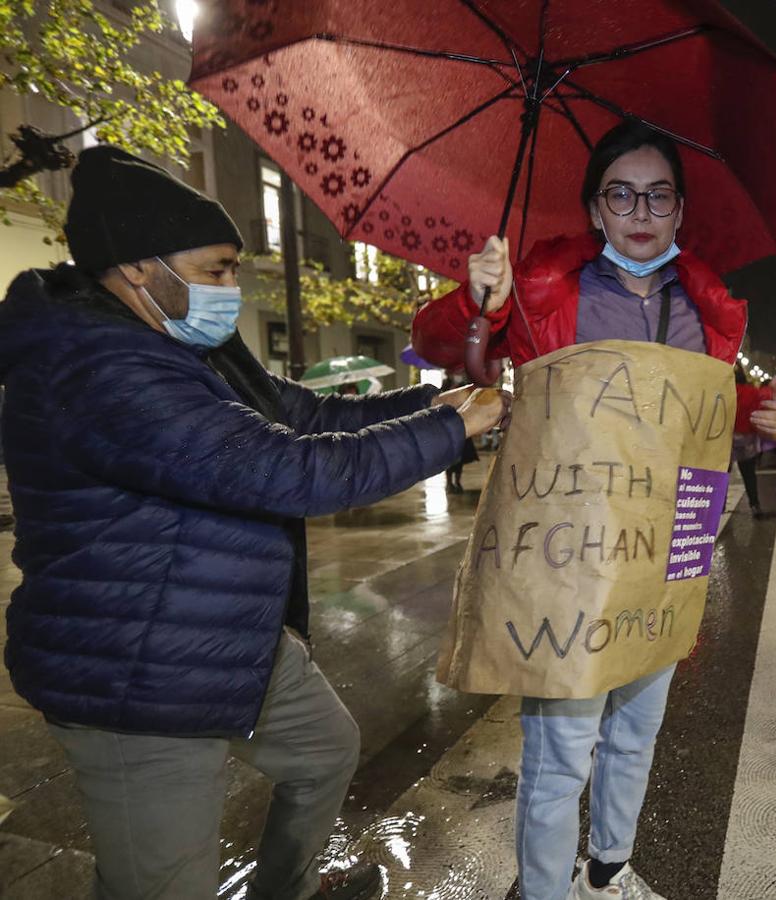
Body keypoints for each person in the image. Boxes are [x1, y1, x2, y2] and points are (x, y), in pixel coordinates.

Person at [0, 146, 506, 900]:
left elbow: (311, 416)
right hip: (138, 680)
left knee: (325, 753)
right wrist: (450, 433)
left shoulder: (187, 345)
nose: (231, 288)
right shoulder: (99, 367)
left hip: (225, 636)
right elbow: (289, 470)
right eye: (215, 270)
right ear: (139, 267)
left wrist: (438, 406)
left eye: (236, 267)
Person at [410, 120, 776, 900]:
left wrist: (767, 410)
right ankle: (546, 890)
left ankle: (609, 871)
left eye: (658, 195)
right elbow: (439, 344)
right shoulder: (547, 289)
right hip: (571, 553)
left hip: (670, 544)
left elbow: (701, 409)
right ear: (595, 209)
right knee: (559, 754)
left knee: (636, 735)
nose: (641, 210)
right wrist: (474, 299)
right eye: (622, 194)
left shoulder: (707, 309)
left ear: (680, 210)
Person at [733, 363, 765, 516]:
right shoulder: (752, 392)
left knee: (720, 474)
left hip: (723, 439)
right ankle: (754, 503)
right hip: (747, 437)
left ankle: (718, 504)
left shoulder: (719, 391)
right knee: (749, 473)